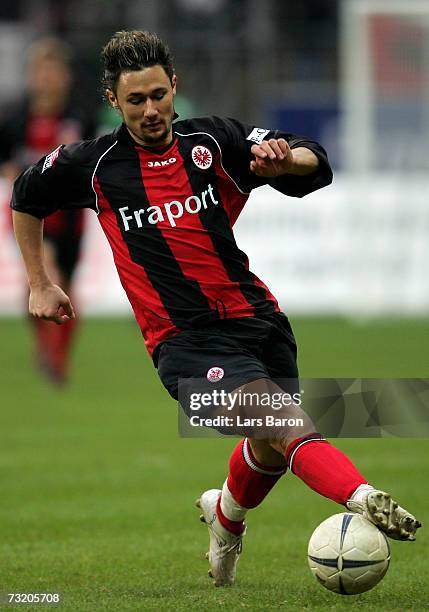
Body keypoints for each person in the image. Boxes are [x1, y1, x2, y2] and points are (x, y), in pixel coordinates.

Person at [11, 30, 421, 587]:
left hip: (257, 320)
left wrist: (286, 160)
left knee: (271, 447)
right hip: (183, 344)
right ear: (114, 101)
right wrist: (39, 281)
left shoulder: (215, 139)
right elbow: (26, 199)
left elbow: (311, 158)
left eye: (159, 95)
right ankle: (364, 497)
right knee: (284, 424)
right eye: (136, 100)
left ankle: (225, 517)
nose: (151, 110)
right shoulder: (94, 164)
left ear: (175, 85)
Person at [0, 37, 95, 384]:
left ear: (65, 77)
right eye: (42, 72)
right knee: (42, 277)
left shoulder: (78, 116)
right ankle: (49, 353)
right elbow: (6, 159)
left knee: (65, 287)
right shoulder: (15, 118)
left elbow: (87, 159)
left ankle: (57, 354)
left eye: (54, 72)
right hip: (30, 215)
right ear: (32, 75)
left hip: (69, 215)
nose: (48, 79)